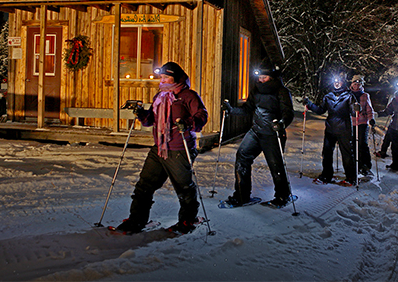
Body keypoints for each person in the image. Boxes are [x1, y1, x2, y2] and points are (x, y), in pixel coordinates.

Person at [115, 62, 208, 234]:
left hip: (179, 149)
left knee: (183, 188)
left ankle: (188, 220)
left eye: (167, 77)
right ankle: (136, 220)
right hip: (159, 148)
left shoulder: (188, 96)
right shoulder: (160, 96)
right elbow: (150, 120)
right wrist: (141, 113)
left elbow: (202, 116)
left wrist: (187, 124)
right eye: (162, 77)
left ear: (177, 77)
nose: (163, 80)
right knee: (144, 185)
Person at [221, 59, 294, 207]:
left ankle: (283, 196)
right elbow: (247, 109)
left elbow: (288, 113)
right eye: (259, 77)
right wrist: (231, 110)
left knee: (276, 165)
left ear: (271, 77)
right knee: (242, 155)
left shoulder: (281, 91)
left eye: (264, 77)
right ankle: (242, 195)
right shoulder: (256, 90)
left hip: (272, 133)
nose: (261, 80)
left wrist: (281, 123)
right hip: (256, 131)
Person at [304, 73, 354, 184]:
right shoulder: (328, 96)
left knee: (346, 154)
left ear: (343, 82)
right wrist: (310, 104)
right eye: (335, 82)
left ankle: (351, 177)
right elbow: (321, 110)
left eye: (339, 81)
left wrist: (356, 108)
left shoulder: (348, 96)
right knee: (326, 153)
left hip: (344, 129)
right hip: (330, 129)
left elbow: (354, 112)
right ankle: (326, 175)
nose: (337, 84)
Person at [349, 75, 376, 177]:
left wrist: (371, 119)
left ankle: (365, 166)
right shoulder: (348, 95)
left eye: (358, 84)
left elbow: (369, 109)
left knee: (362, 144)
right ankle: (355, 165)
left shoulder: (365, 95)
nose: (356, 86)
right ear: (352, 84)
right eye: (355, 83)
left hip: (362, 123)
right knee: (352, 145)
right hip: (351, 123)